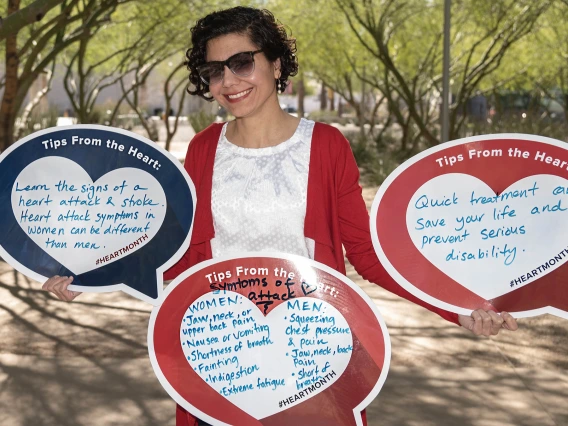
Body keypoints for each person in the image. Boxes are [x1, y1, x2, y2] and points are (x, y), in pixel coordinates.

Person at [43, 6, 518, 426]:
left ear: (274, 63)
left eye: (241, 63)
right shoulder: (204, 149)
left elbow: (368, 258)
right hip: (219, 347)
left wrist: (458, 306)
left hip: (311, 348)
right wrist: (93, 275)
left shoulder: (328, 145)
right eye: (214, 71)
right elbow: (180, 253)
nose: (229, 82)